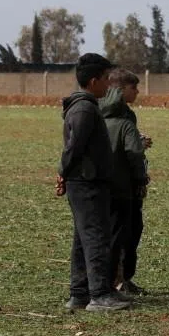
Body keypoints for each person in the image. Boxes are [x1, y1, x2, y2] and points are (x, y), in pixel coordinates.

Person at [57, 53, 132, 311]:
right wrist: (62, 172)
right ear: (92, 81)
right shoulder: (85, 109)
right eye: (105, 80)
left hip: (88, 182)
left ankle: (79, 294)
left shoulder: (86, 107)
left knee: (83, 238)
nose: (109, 85)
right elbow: (73, 147)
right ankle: (99, 295)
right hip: (87, 183)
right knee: (96, 238)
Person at [99, 68, 149, 296]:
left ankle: (119, 280)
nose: (137, 92)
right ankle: (116, 282)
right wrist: (141, 177)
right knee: (125, 233)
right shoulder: (123, 118)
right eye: (133, 87)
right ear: (120, 90)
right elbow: (131, 152)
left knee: (116, 233)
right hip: (124, 184)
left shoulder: (99, 111)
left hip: (103, 183)